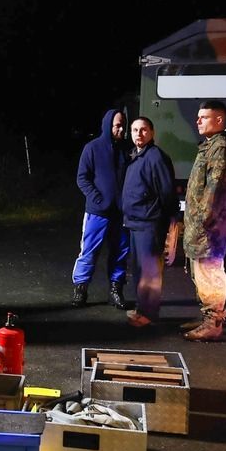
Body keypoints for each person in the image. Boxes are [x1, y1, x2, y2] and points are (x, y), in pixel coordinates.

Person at [182, 100, 226, 342]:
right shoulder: (209, 146)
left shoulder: (219, 148)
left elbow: (215, 189)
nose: (198, 121)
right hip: (202, 225)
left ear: (219, 120)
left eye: (204, 117)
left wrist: (202, 220)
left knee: (210, 272)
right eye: (198, 117)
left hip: (209, 227)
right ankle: (207, 317)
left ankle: (213, 323)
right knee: (201, 272)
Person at [121, 117, 179, 328]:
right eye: (135, 130)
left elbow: (166, 191)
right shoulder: (136, 156)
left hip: (150, 222)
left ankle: (149, 313)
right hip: (136, 222)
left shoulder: (155, 157)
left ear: (152, 133)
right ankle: (141, 308)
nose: (139, 134)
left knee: (150, 270)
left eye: (143, 130)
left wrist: (168, 219)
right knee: (139, 269)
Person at [71, 108, 130, 309]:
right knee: (88, 251)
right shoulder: (92, 148)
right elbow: (82, 178)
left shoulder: (127, 149)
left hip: (121, 214)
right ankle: (81, 289)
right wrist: (98, 199)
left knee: (120, 252)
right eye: (117, 125)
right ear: (108, 126)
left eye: (123, 125)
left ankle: (116, 291)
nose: (121, 129)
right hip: (97, 212)